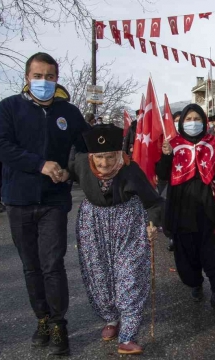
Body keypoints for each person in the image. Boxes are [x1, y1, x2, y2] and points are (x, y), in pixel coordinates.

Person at [0, 52, 90, 356]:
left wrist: (69, 171)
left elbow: (87, 148)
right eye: (38, 75)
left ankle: (59, 324)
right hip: (18, 200)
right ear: (26, 78)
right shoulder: (9, 108)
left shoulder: (69, 112)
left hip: (54, 201)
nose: (43, 82)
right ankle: (42, 320)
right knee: (31, 266)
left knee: (52, 264)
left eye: (49, 76)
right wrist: (40, 164)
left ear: (56, 79)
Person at [63, 124, 163, 355]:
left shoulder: (131, 170)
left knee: (129, 276)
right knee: (99, 274)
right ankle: (110, 318)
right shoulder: (80, 163)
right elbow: (65, 167)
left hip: (128, 224)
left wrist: (152, 224)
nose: (104, 164)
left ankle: (127, 335)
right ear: (91, 156)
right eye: (99, 158)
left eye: (109, 157)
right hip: (93, 224)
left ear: (119, 155)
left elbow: (154, 202)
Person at [156, 104, 215, 308]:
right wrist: (167, 155)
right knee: (187, 249)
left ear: (204, 121)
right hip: (182, 207)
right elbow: (162, 174)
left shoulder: (213, 142)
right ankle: (195, 282)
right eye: (188, 119)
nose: (193, 123)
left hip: (211, 206)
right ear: (181, 123)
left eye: (197, 118)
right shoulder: (172, 144)